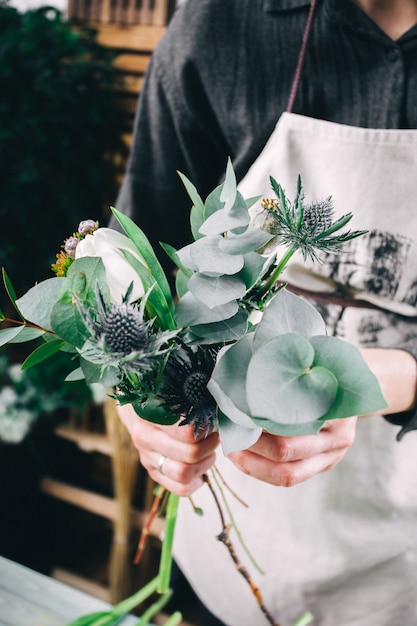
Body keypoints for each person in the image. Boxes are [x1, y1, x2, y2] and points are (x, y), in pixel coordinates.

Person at [112, 1, 417, 624]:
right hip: (229, 548)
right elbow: (138, 270)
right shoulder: (216, 29)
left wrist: (398, 376)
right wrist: (137, 396)